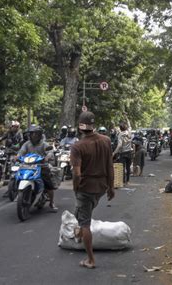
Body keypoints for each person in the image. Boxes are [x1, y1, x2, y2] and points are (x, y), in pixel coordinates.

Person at [70, 111, 114, 269]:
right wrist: (111, 186)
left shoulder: (77, 146)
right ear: (93, 126)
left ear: (80, 127)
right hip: (101, 187)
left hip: (86, 188)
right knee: (80, 213)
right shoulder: (106, 140)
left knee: (85, 222)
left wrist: (76, 188)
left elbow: (76, 173)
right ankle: (81, 232)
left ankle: (90, 260)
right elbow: (110, 165)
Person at [17, 125, 58, 212]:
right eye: (32, 134)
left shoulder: (44, 144)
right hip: (28, 166)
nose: (34, 136)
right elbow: (21, 152)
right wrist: (17, 157)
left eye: (36, 134)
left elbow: (50, 152)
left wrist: (47, 157)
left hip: (41, 166)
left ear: (40, 135)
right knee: (17, 175)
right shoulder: (27, 144)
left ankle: (51, 202)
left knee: (48, 184)